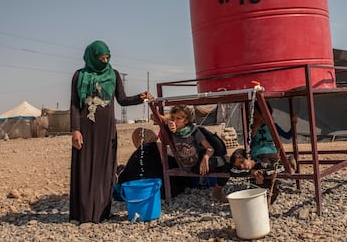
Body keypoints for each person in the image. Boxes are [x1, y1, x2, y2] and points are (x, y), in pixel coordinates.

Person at [69, 40, 152, 224]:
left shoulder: (113, 75)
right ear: (91, 57)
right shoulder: (79, 75)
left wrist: (140, 97)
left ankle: (101, 213)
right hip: (85, 129)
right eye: (100, 58)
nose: (104, 61)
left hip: (106, 130)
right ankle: (83, 214)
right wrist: (75, 130)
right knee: (85, 168)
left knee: (105, 169)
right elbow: (75, 105)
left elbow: (122, 99)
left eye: (107, 57)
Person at [162, 104, 230, 202]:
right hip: (189, 166)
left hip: (199, 161)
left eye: (178, 118)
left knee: (226, 165)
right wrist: (168, 122)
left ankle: (217, 191)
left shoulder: (194, 131)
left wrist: (205, 158)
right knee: (222, 162)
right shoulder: (171, 132)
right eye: (173, 118)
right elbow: (155, 117)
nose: (175, 121)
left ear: (185, 121)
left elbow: (209, 148)